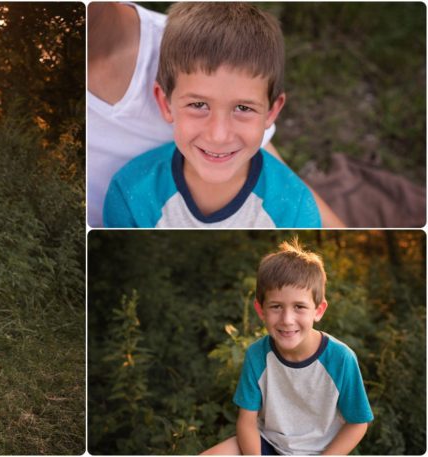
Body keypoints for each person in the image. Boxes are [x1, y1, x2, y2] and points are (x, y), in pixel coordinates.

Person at [87, 2, 343, 227]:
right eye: (199, 105)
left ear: (272, 111)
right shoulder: (129, 193)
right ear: (165, 104)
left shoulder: (295, 208)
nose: (219, 135)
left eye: (243, 108)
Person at [202, 240, 373, 455]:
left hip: (319, 452)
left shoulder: (341, 358)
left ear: (318, 310)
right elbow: (246, 422)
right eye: (276, 307)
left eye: (299, 307)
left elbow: (358, 423)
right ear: (261, 309)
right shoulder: (257, 355)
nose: (287, 319)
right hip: (267, 443)